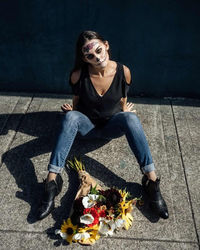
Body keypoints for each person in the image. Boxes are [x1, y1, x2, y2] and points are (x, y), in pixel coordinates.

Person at [37, 31, 169, 220]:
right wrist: (71, 115)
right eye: (90, 55)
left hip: (110, 129)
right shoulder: (78, 75)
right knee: (70, 117)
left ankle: (152, 182)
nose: (97, 57)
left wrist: (125, 111)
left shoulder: (124, 71)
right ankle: (51, 184)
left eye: (99, 50)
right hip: (87, 128)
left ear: (106, 45)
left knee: (131, 119)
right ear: (84, 58)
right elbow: (76, 100)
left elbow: (123, 96)